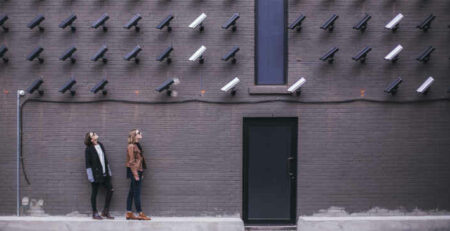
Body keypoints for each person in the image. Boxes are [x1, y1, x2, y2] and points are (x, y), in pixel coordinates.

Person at [84, 132, 114, 220]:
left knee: (111, 189)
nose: (95, 134)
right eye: (92, 134)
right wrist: (90, 177)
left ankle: (105, 211)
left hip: (105, 174)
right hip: (96, 175)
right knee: (94, 193)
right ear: (91, 139)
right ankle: (94, 213)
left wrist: (108, 171)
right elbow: (87, 164)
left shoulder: (101, 145)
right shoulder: (88, 149)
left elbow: (105, 159)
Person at [125, 129, 151, 220]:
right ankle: (140, 213)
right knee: (137, 193)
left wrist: (141, 172)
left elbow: (139, 161)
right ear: (134, 136)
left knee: (132, 192)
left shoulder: (137, 145)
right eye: (138, 133)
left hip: (137, 171)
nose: (141, 133)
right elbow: (131, 162)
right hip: (134, 171)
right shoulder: (131, 146)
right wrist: (136, 174)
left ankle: (129, 213)